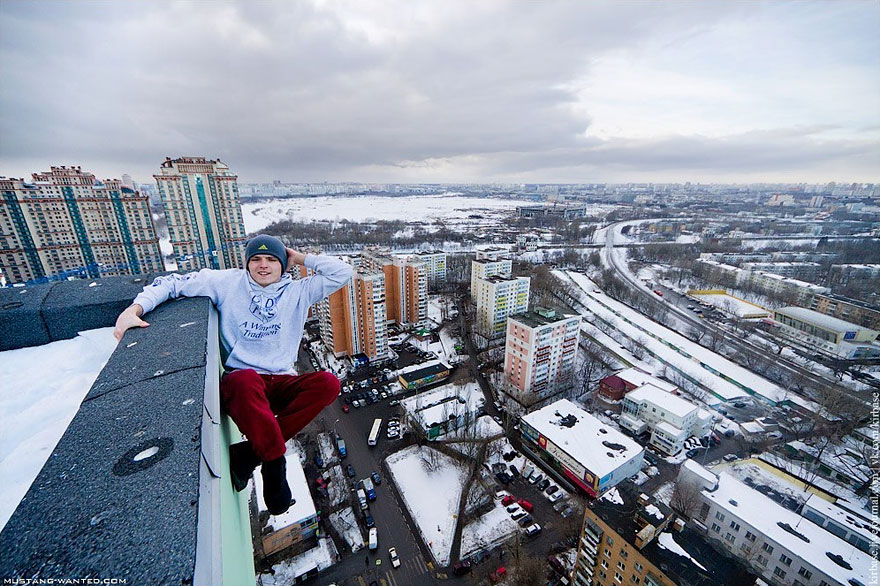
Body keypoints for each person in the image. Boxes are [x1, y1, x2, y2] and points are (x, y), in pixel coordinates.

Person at [114, 235, 352, 515]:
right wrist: (134, 309)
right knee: (242, 379)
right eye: (256, 259)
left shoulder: (299, 291)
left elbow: (343, 272)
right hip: (244, 387)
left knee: (328, 383)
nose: (263, 266)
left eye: (272, 259)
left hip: (281, 381)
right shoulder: (227, 283)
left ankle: (250, 453)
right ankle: (274, 463)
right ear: (247, 263)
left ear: (283, 264)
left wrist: (300, 258)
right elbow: (173, 283)